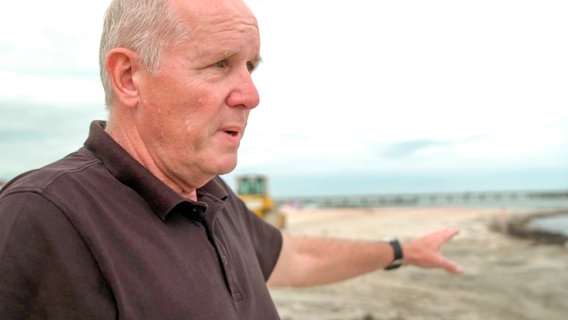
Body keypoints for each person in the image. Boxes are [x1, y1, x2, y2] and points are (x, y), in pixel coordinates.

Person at [0, 0, 463, 319]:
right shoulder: (45, 214)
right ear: (129, 78)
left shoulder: (210, 194)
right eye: (220, 64)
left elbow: (294, 258)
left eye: (250, 67)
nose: (251, 95)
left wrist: (401, 251)